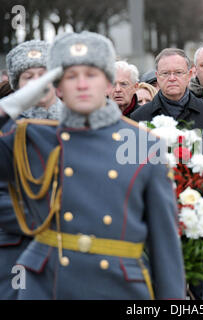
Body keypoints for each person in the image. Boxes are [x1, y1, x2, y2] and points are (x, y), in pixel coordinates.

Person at [0, 31, 186, 300]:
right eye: (71, 76)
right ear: (57, 86)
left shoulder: (143, 144)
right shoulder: (31, 138)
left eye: (92, 74)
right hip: (48, 285)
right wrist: (20, 98)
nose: (82, 84)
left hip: (118, 285)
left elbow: (164, 246)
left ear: (109, 82)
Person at [0, 40, 62, 300]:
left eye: (43, 74)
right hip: (18, 246)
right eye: (28, 77)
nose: (38, 83)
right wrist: (48, 220)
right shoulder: (6, 130)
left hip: (72, 249)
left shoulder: (78, 124)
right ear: (16, 85)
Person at [130, 48, 203, 129]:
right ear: (157, 77)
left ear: (189, 75)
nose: (172, 78)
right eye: (165, 73)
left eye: (178, 72)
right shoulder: (139, 117)